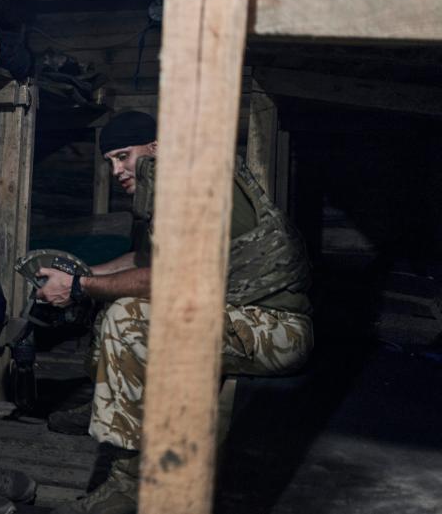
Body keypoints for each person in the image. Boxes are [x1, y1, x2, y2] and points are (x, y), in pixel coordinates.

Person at [37, 111, 313, 514]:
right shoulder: (169, 184)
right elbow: (144, 260)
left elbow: (168, 279)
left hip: (275, 329)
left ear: (156, 147)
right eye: (110, 161)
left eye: (123, 156)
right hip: (232, 317)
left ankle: (129, 487)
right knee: (113, 297)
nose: (116, 170)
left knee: (127, 316)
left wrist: (79, 287)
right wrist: (82, 273)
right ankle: (106, 405)